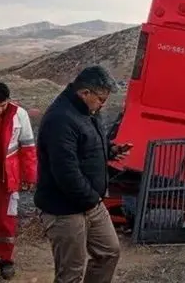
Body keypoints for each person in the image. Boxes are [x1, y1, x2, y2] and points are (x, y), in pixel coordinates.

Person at [35, 66, 132, 283]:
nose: (103, 104)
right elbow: (66, 172)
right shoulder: (60, 119)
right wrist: (92, 200)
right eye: (100, 99)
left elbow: (89, 145)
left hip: (90, 204)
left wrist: (111, 150)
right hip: (64, 209)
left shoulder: (88, 111)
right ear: (84, 93)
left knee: (109, 252)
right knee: (70, 274)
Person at [0, 82, 37, 280]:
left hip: (7, 179)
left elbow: (28, 147)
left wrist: (30, 176)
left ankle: (5, 259)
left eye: (2, 105)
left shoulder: (19, 115)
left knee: (7, 220)